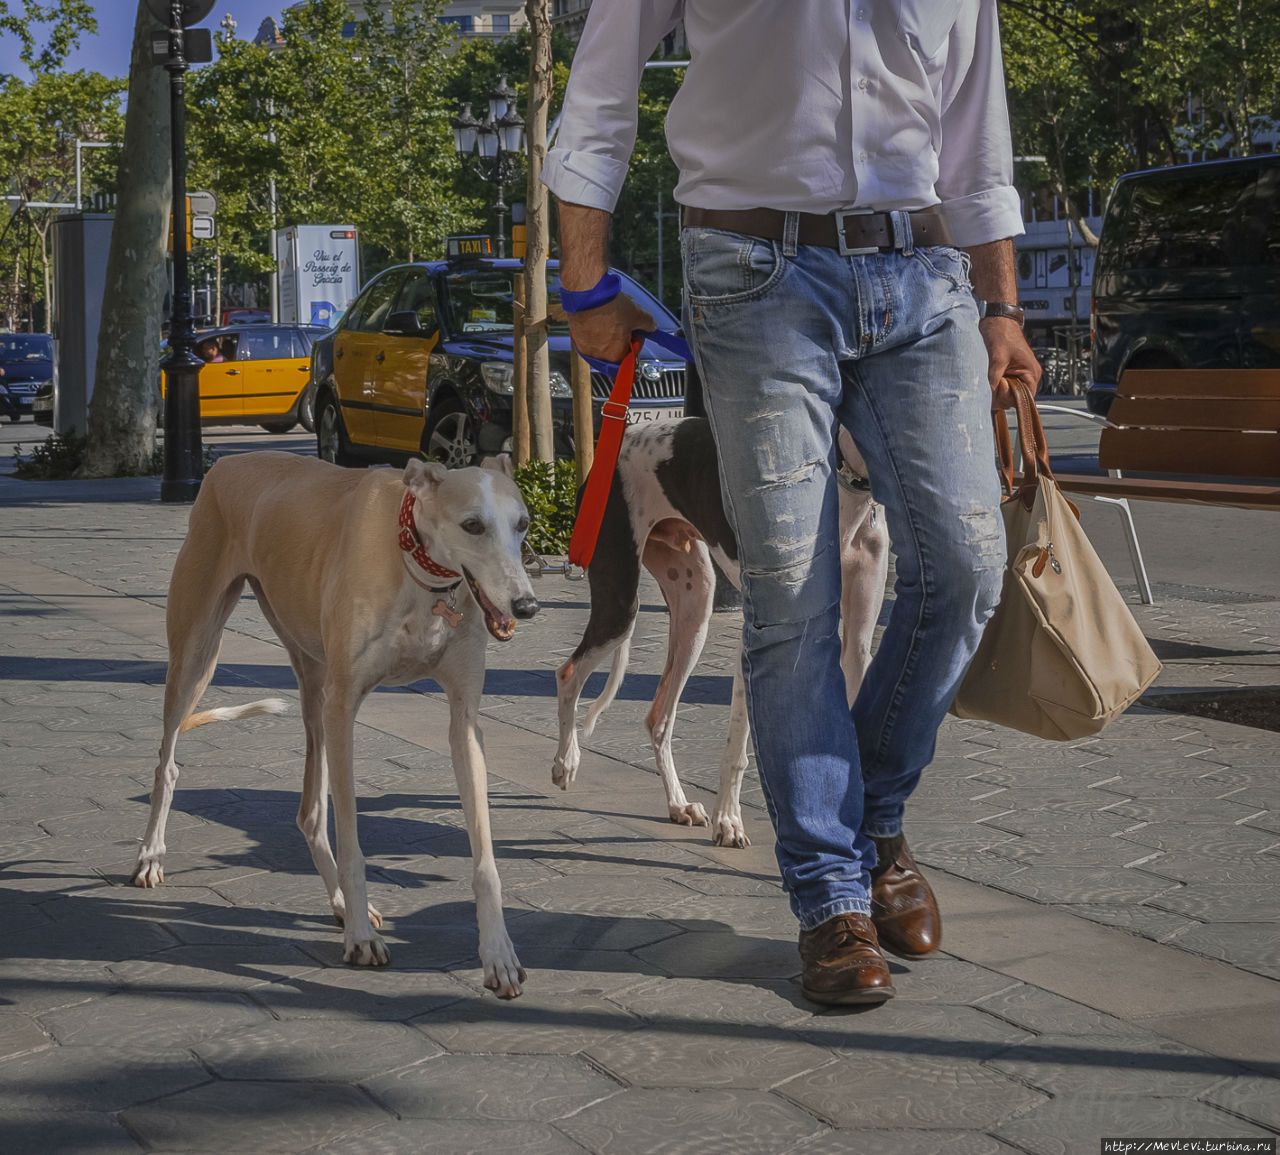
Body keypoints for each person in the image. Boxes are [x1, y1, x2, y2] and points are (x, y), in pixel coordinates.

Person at [544, 1, 1041, 1006]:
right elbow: (598, 87)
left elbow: (973, 134)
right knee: (791, 595)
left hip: (924, 275)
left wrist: (999, 307)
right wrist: (584, 278)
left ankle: (871, 817)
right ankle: (829, 899)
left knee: (962, 566)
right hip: (754, 272)